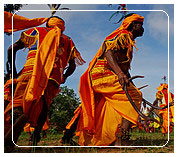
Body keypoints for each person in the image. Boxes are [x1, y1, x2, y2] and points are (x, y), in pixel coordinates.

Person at [4, 15, 85, 150]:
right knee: (44, 107)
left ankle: (14, 127)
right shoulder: (68, 40)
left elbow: (11, 49)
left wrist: (12, 72)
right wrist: (63, 77)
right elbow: (72, 66)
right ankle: (34, 140)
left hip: (30, 71)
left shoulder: (36, 31)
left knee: (18, 102)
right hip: (52, 78)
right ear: (62, 27)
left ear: (47, 24)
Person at [64, 13, 144, 146]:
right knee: (134, 96)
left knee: (94, 105)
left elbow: (124, 70)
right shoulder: (123, 35)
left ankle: (67, 136)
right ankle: (121, 139)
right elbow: (108, 52)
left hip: (100, 75)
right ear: (132, 25)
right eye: (140, 24)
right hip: (102, 74)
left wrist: (126, 79)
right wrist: (120, 74)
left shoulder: (127, 41)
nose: (142, 28)